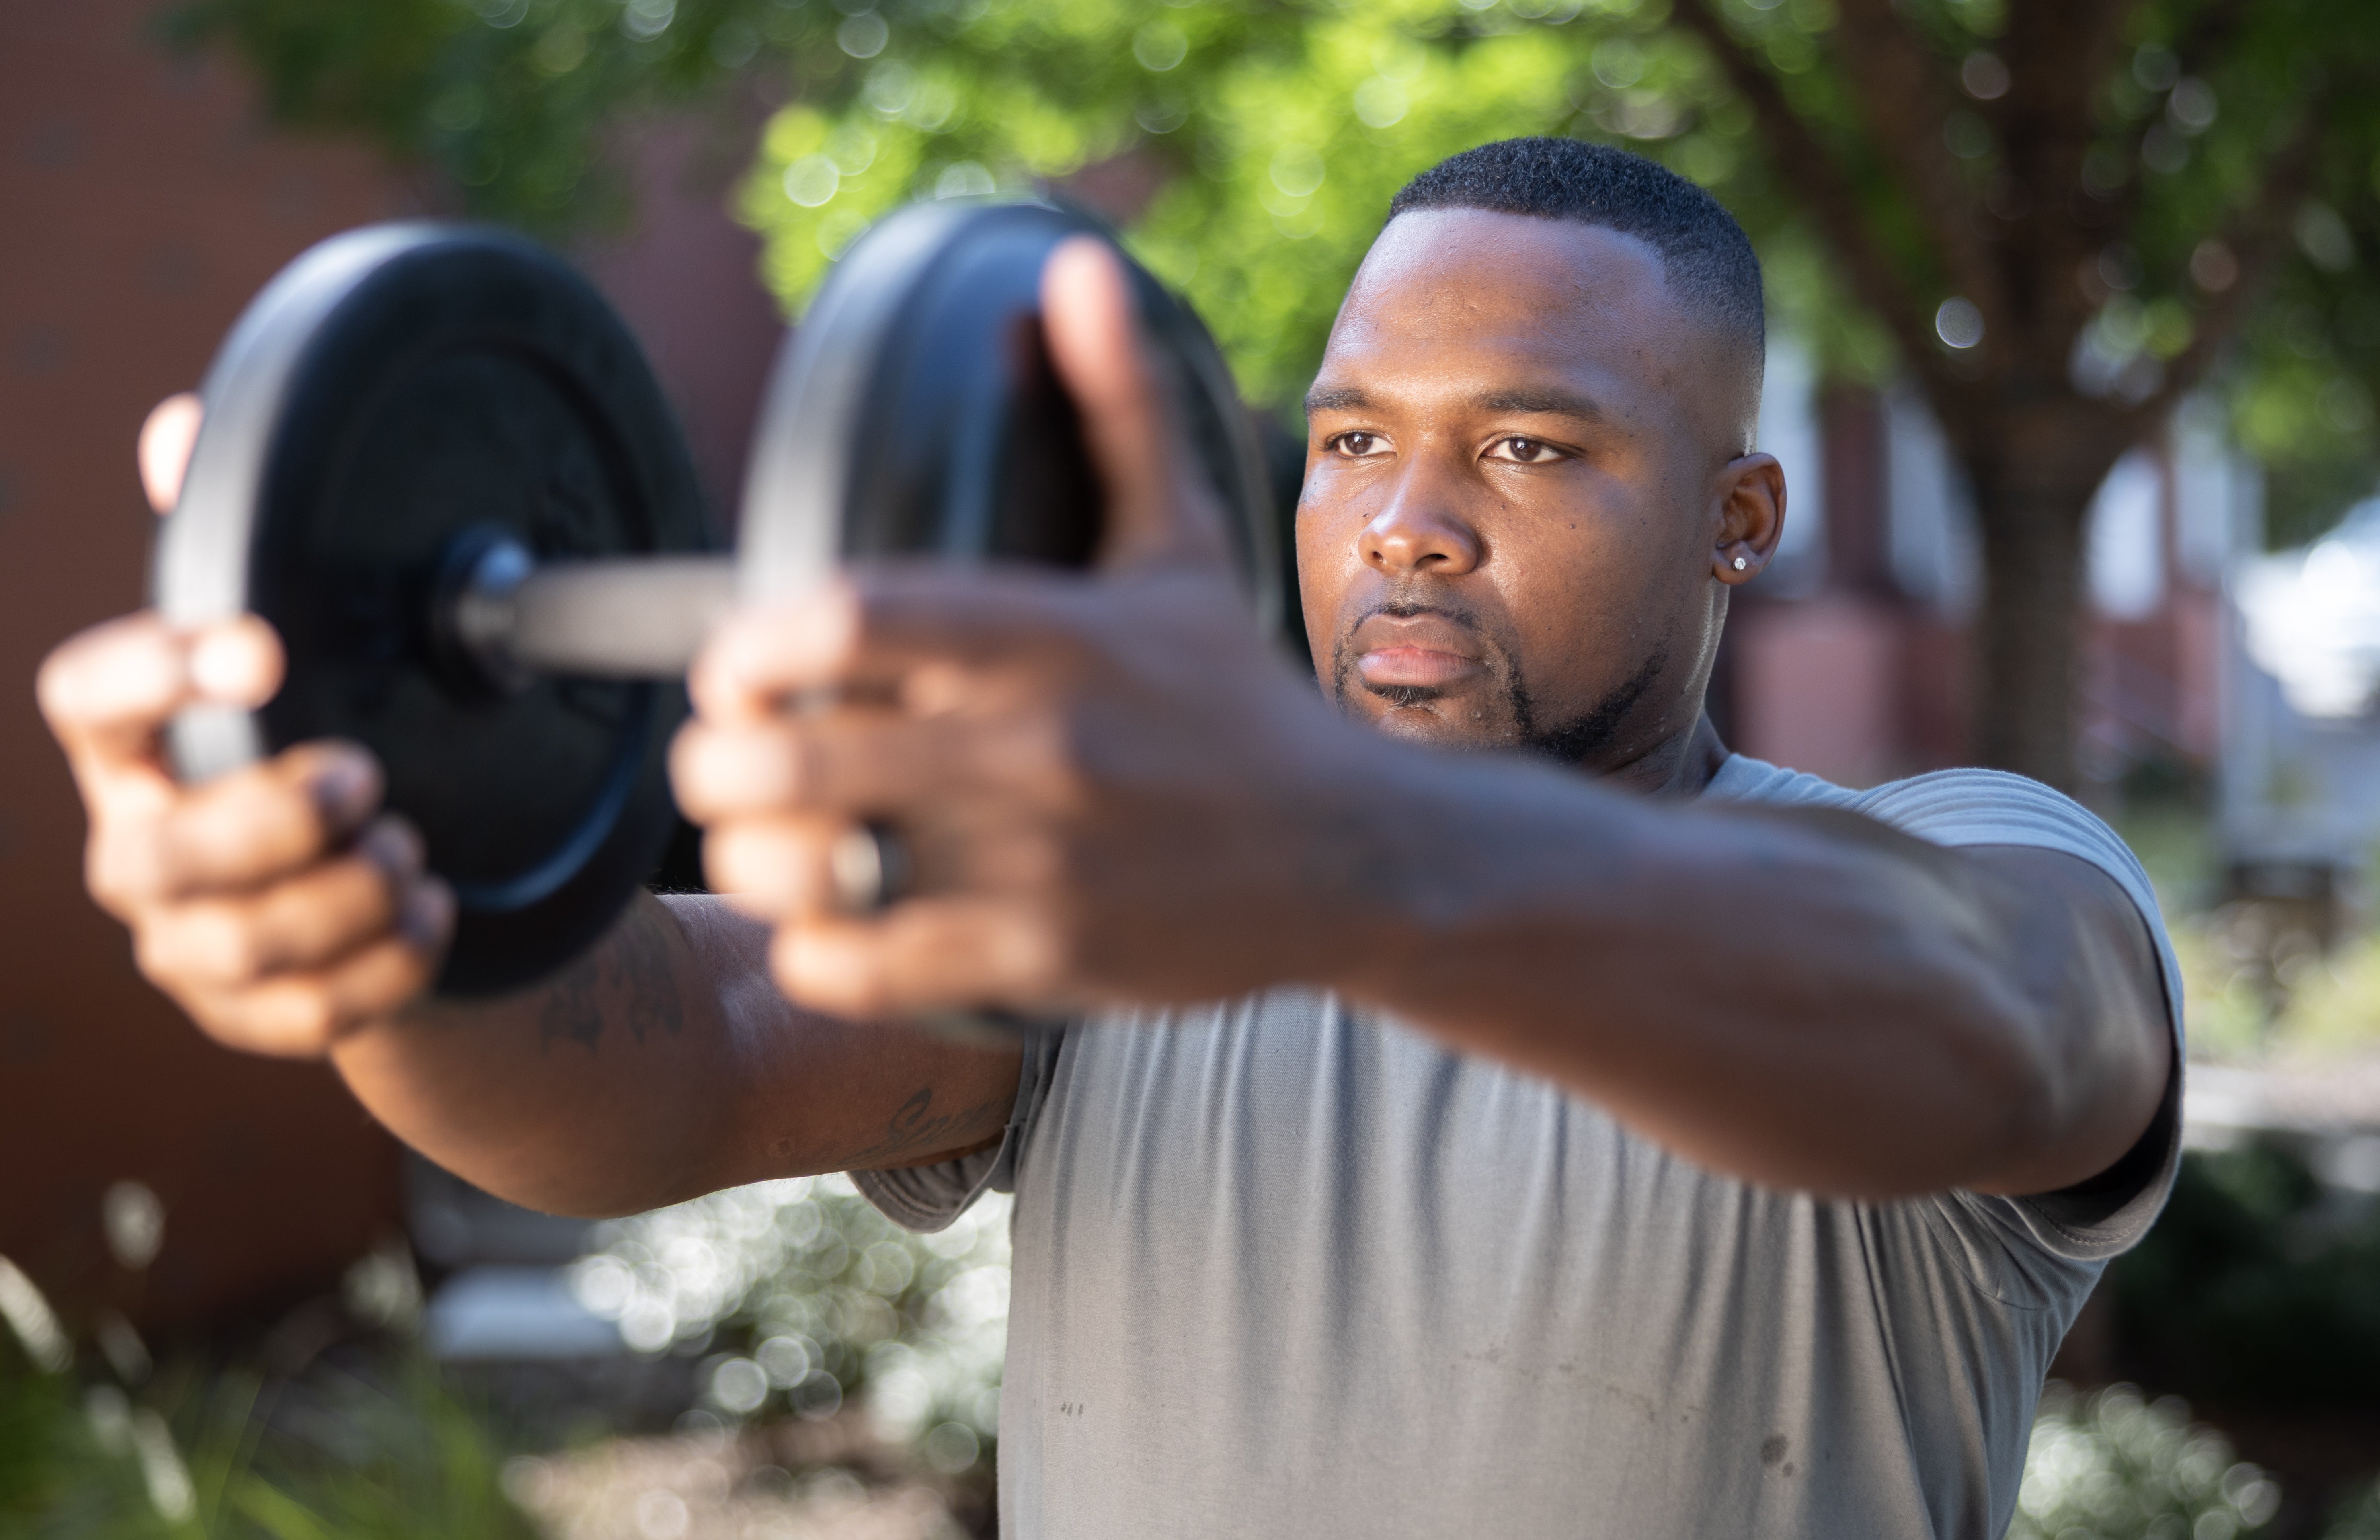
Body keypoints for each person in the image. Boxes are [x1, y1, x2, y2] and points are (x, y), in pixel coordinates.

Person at [40, 138, 2179, 1538]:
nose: (1407, 520)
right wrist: (388, 907)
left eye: (1529, 446)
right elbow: (667, 1050)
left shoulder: (1974, 865)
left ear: (1739, 518)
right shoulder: (1104, 909)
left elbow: (1988, 1021)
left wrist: (1327, 843)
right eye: (1352, 439)